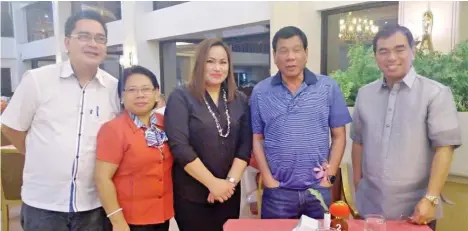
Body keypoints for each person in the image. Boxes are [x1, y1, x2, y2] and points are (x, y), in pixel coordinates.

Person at [1, 11, 120, 230]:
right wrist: (38, 152)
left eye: (100, 38)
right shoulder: (38, 80)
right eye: (84, 36)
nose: (93, 44)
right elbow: (10, 127)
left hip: (93, 204)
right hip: (44, 204)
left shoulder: (113, 89)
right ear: (67, 42)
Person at [351, 24, 462, 230]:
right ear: (375, 56)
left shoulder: (436, 94)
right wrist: (357, 184)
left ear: (413, 51)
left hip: (416, 210)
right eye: (383, 51)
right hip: (370, 207)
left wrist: (431, 199)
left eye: (399, 49)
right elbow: (358, 141)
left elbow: (444, 148)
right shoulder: (365, 94)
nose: (391, 57)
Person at [250, 26, 351, 219]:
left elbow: (339, 137)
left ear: (306, 53)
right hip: (278, 193)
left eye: (296, 50)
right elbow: (257, 139)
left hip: (318, 190)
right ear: (274, 55)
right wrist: (269, 180)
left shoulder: (328, 87)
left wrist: (328, 179)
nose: (290, 57)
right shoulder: (261, 92)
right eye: (284, 50)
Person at [164, 38, 252, 231]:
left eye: (223, 62)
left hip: (229, 193)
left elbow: (245, 147)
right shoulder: (181, 97)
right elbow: (180, 147)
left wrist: (227, 185)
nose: (217, 68)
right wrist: (212, 184)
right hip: (192, 195)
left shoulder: (239, 100)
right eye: (210, 61)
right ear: (199, 63)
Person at [95, 65, 173, 231]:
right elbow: (102, 178)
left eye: (146, 89)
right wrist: (117, 221)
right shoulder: (113, 129)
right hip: (129, 221)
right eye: (132, 90)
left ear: (156, 93)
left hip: (161, 215)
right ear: (122, 95)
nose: (140, 95)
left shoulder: (165, 123)